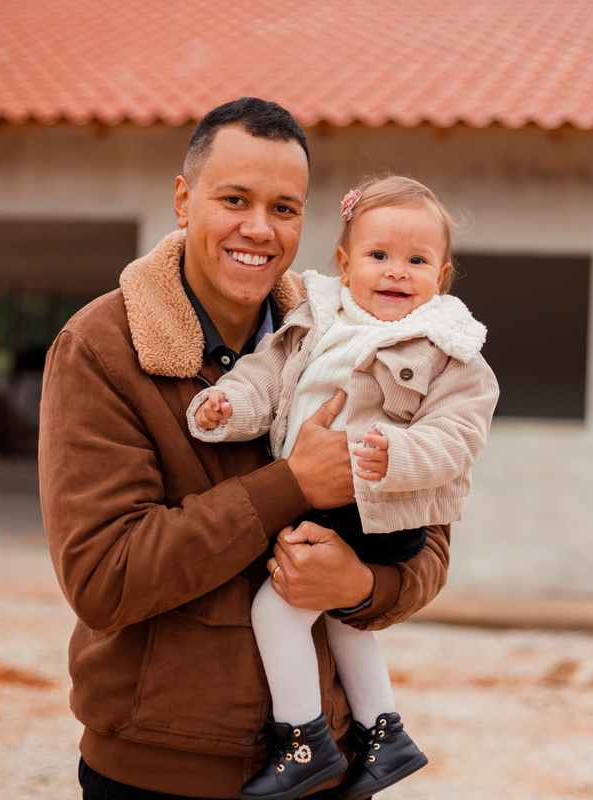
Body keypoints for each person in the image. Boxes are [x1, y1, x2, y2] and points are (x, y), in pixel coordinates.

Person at [39, 98, 452, 800]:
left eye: (285, 209)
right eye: (235, 199)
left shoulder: (357, 340)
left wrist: (360, 588)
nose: (259, 229)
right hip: (157, 774)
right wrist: (290, 485)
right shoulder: (101, 348)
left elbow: (428, 541)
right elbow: (104, 578)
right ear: (183, 200)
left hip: (328, 772)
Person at [188, 176, 499, 800]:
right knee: (338, 617)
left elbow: (458, 435)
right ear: (345, 263)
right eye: (378, 255)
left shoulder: (449, 350)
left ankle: (302, 739)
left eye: (417, 261)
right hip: (314, 491)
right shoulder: (318, 319)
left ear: (441, 275)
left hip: (375, 505)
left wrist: (395, 456)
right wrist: (229, 406)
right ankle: (384, 735)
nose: (396, 272)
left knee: (276, 610)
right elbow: (266, 376)